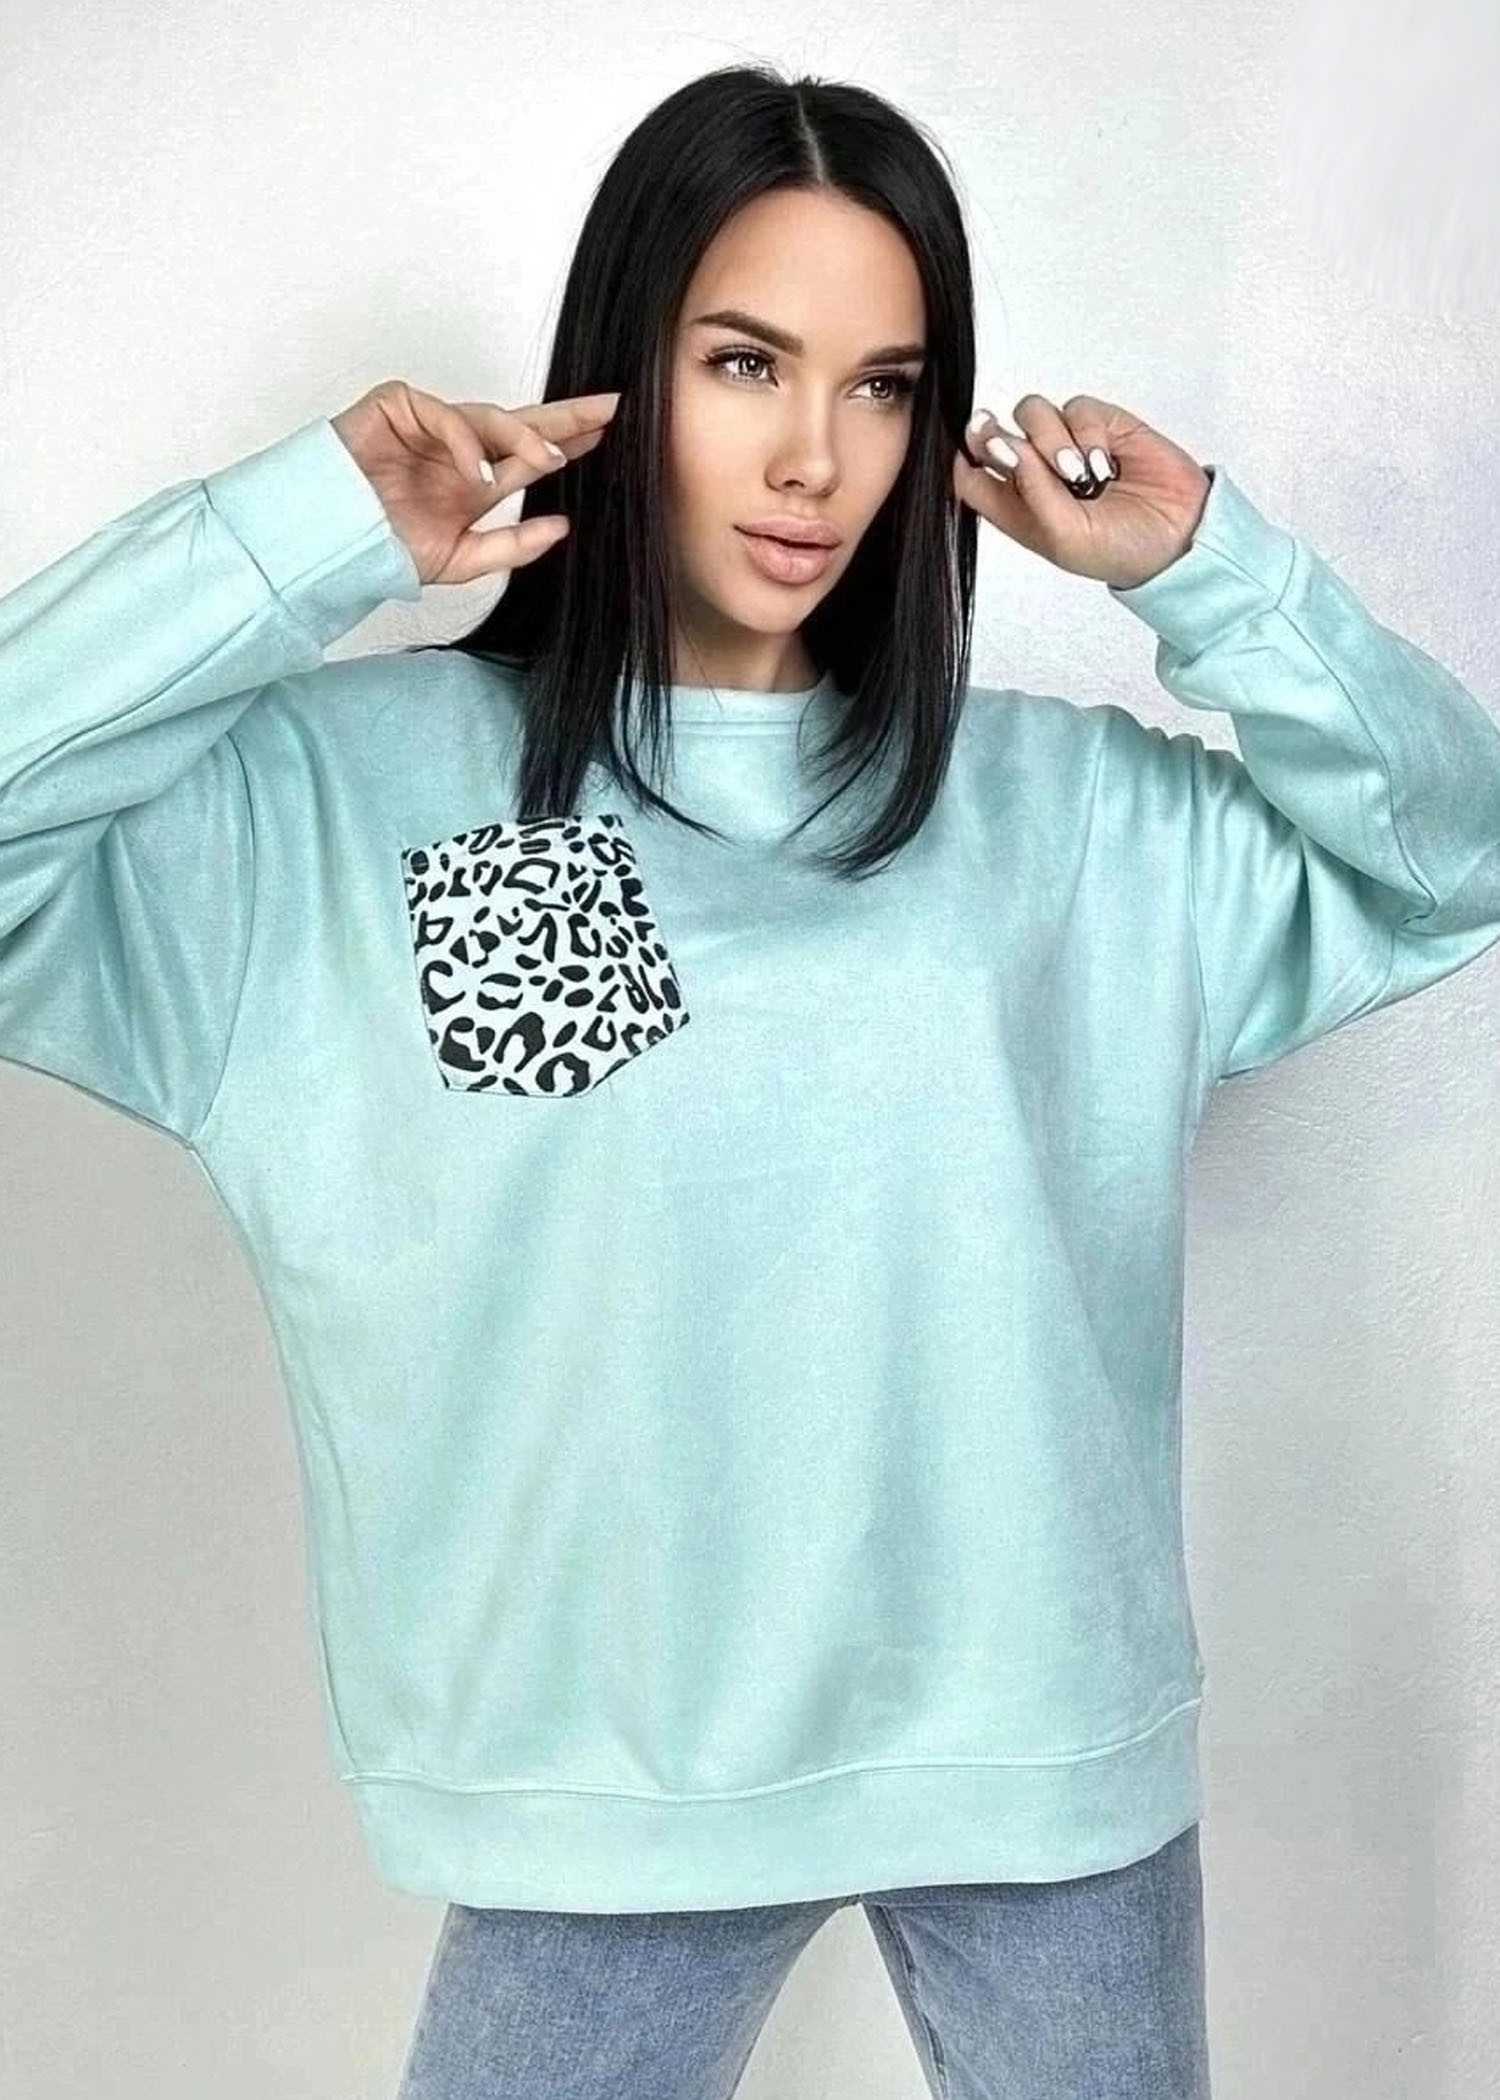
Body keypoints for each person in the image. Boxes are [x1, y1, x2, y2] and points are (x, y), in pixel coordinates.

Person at [4, 61, 1498, 2100]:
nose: (813, 456)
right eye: (743, 363)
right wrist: (303, 536)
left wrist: (1209, 570)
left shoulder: (1072, 817)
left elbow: (1448, 861)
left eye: (883, 386)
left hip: (1039, 1758)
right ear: (623, 367)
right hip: (603, 1782)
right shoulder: (335, 804)